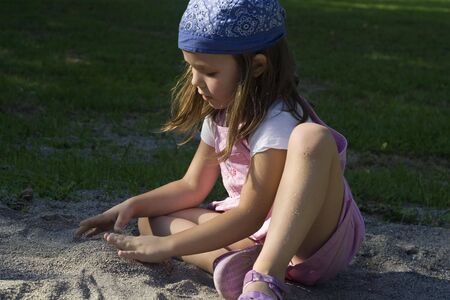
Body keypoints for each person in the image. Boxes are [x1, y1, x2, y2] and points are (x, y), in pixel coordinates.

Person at [75, 0, 365, 299]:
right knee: (151, 219)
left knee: (312, 137)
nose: (195, 82)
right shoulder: (221, 112)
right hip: (259, 231)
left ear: (257, 66)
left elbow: (250, 215)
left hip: (310, 240)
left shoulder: (277, 118)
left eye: (209, 72)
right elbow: (191, 186)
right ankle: (229, 263)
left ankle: (264, 276)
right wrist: (133, 205)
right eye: (191, 68)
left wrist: (167, 247)